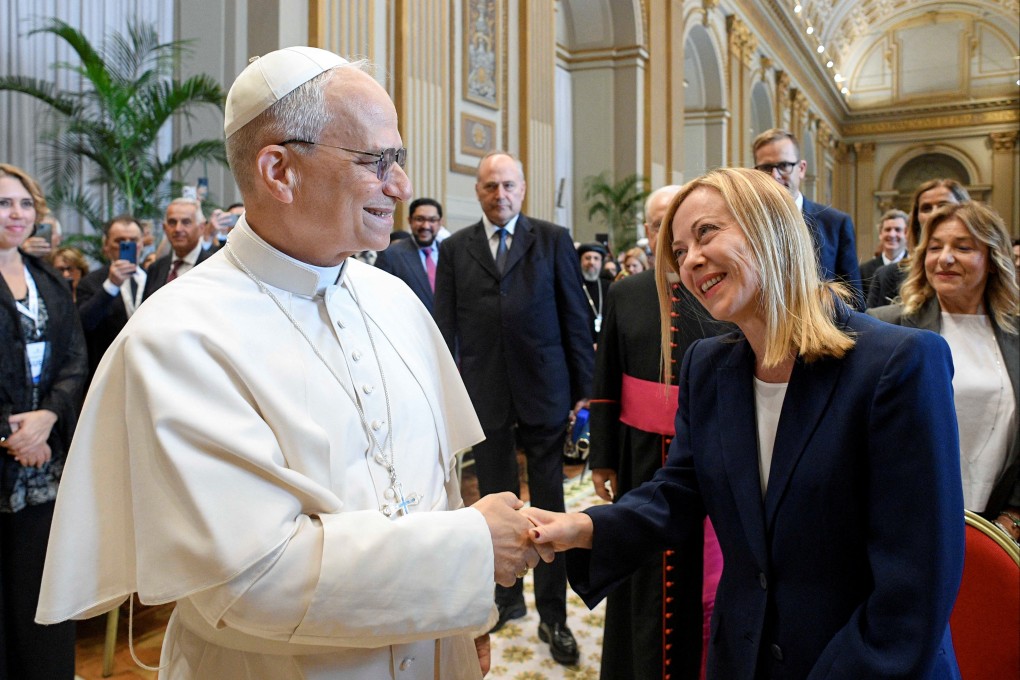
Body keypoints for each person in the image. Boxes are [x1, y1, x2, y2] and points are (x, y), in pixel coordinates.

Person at [36, 46, 547, 680]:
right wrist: (472, 551)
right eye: (377, 161)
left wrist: (464, 618)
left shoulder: (395, 301)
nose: (402, 186)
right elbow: (252, 579)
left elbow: (435, 486)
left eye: (401, 159)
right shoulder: (176, 338)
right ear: (279, 170)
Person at [526, 167, 965, 679]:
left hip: (862, 662)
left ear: (770, 228)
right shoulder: (709, 366)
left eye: (705, 233)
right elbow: (682, 490)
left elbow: (916, 585)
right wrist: (583, 527)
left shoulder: (899, 363)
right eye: (679, 250)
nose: (690, 260)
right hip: (745, 656)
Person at [435, 150, 594, 666]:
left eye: (507, 185)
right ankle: (506, 599)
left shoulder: (551, 240)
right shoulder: (456, 249)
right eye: (489, 187)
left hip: (545, 391)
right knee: (495, 502)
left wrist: (583, 391)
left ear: (522, 189)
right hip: (485, 396)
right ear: (477, 192)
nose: (499, 195)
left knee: (548, 505)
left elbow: (574, 318)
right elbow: (444, 332)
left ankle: (553, 614)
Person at [587, 184, 728, 680]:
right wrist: (601, 458)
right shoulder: (626, 292)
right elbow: (605, 382)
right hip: (638, 454)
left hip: (707, 457)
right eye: (659, 225)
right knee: (641, 564)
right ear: (649, 233)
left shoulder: (719, 288)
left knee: (701, 574)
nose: (670, 238)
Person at [869, 202, 1018, 538]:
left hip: (998, 529)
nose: (945, 258)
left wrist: (1012, 518)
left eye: (963, 247)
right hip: (906, 525)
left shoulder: (1017, 336)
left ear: (993, 260)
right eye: (935, 247)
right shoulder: (886, 328)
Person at [0, 163, 86, 679]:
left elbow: (74, 355)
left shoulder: (47, 276)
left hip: (44, 462)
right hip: (10, 450)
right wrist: (10, 431)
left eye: (25, 203)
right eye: (4, 203)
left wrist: (48, 417)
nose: (17, 214)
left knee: (39, 587)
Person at [752, 128, 863, 306]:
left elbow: (854, 299)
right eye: (766, 168)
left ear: (801, 169)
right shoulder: (745, 224)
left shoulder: (835, 224)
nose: (775, 176)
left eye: (783, 166)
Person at [867, 179, 970, 308]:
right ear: (916, 218)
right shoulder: (887, 276)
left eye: (943, 205)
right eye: (926, 208)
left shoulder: (979, 270)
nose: (934, 213)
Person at [75, 215, 146, 383]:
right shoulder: (91, 282)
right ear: (106, 246)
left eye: (133, 240)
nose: (127, 245)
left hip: (147, 370)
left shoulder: (155, 277)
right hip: (106, 372)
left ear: (142, 244)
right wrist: (111, 286)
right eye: (120, 241)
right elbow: (83, 324)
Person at [374, 197, 443, 314]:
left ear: (440, 223)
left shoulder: (450, 252)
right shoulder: (391, 255)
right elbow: (379, 298)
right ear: (410, 220)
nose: (426, 226)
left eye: (432, 220)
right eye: (420, 219)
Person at [142, 197, 214, 299]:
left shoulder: (213, 267)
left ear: (201, 228)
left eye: (186, 222)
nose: (178, 229)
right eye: (172, 222)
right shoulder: (156, 268)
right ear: (165, 228)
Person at [859, 209, 908, 301]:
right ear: (880, 234)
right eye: (888, 229)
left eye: (897, 229)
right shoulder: (864, 270)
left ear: (906, 234)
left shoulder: (916, 267)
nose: (892, 234)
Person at [577, 242, 611, 343]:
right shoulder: (574, 286)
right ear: (580, 261)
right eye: (587, 258)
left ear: (601, 263)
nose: (591, 262)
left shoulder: (609, 286)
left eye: (596, 258)